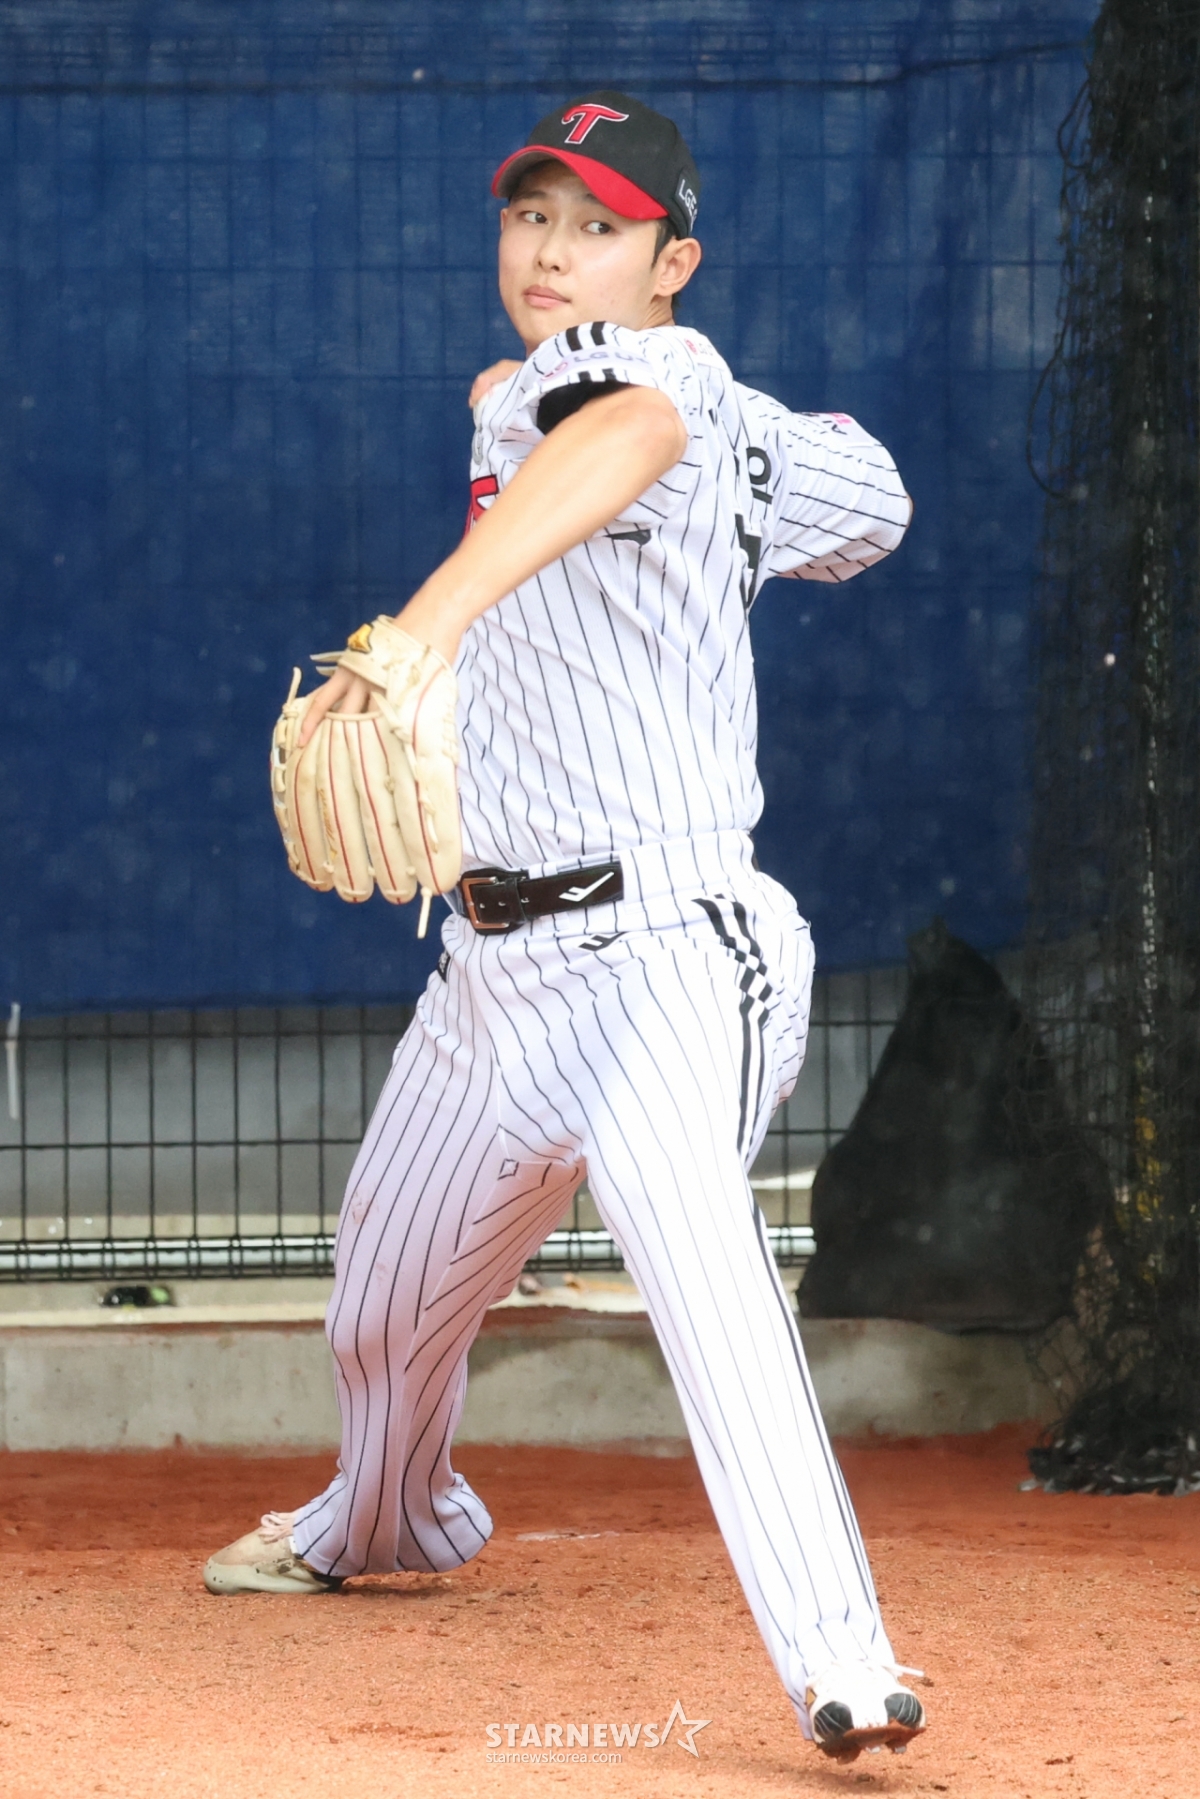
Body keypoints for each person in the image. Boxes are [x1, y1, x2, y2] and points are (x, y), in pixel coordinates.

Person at [205, 90, 924, 1763]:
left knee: (698, 1259)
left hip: (671, 949)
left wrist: (418, 632)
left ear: (674, 264)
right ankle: (387, 1521)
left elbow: (636, 429)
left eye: (600, 226)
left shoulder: (644, 376)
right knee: (381, 1313)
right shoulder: (547, 393)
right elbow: (871, 500)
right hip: (493, 976)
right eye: (533, 214)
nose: (552, 249)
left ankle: (846, 1663)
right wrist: (758, 450)